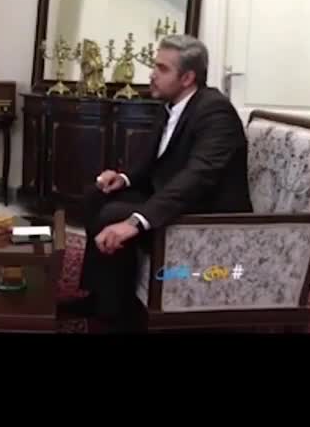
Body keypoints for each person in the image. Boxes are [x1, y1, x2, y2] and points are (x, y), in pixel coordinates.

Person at [69, 35, 253, 332]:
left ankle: (119, 316)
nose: (152, 74)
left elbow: (198, 177)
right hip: (175, 196)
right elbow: (153, 159)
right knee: (96, 195)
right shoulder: (172, 104)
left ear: (187, 78)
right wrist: (124, 178)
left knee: (115, 215)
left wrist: (137, 220)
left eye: (162, 68)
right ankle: (99, 297)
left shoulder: (215, 112)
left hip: (207, 212)